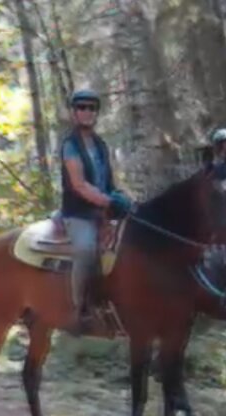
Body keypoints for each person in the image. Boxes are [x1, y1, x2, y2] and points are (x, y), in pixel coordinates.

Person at [59, 89, 133, 332]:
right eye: (82, 108)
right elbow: (79, 185)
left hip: (103, 210)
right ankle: (78, 310)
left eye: (92, 108)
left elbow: (108, 182)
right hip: (78, 213)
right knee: (86, 249)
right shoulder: (70, 146)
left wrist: (119, 197)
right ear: (74, 113)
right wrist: (108, 202)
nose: (87, 112)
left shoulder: (101, 145)